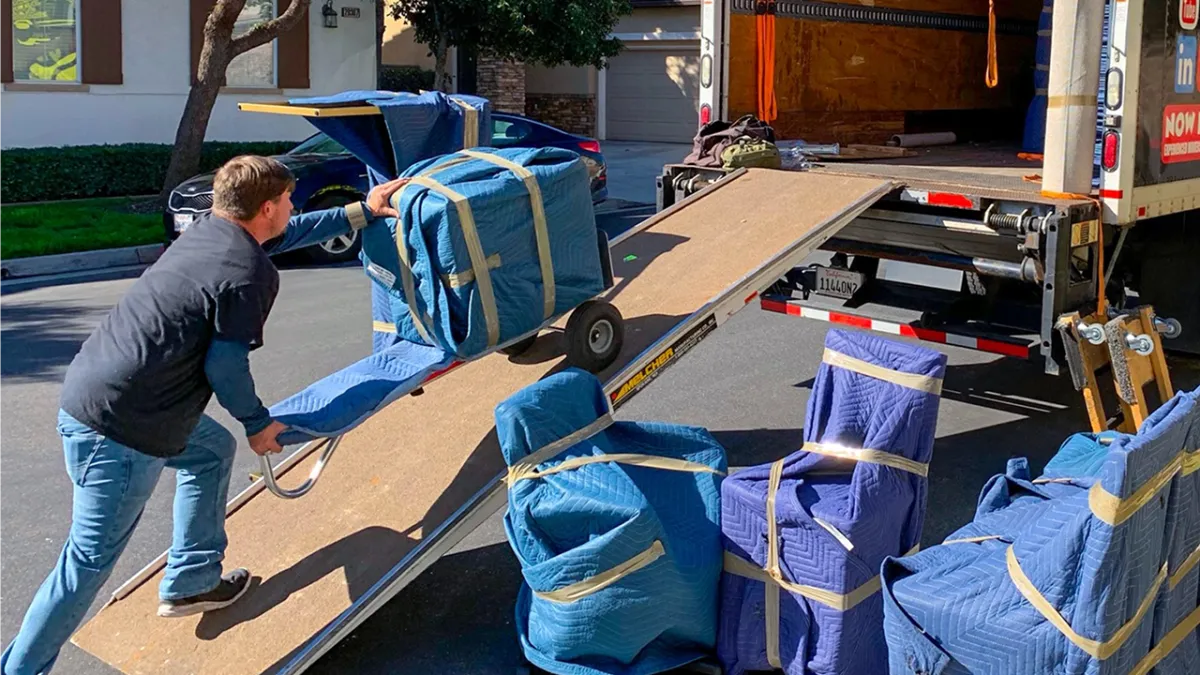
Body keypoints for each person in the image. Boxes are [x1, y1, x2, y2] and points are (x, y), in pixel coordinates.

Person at [0, 156, 409, 675]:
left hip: (103, 391)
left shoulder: (209, 233)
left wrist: (362, 211)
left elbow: (285, 235)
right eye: (287, 200)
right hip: (122, 429)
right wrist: (258, 424)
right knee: (85, 565)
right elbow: (225, 365)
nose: (292, 207)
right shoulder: (246, 274)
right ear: (266, 207)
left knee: (211, 453)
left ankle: (192, 580)